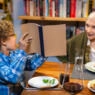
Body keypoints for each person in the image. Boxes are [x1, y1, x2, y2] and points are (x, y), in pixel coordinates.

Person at [0, 20, 46, 94]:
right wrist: (22, 51)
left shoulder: (13, 53)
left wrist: (45, 52)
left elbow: (31, 64)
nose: (16, 38)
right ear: (3, 41)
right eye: (13, 35)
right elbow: (13, 77)